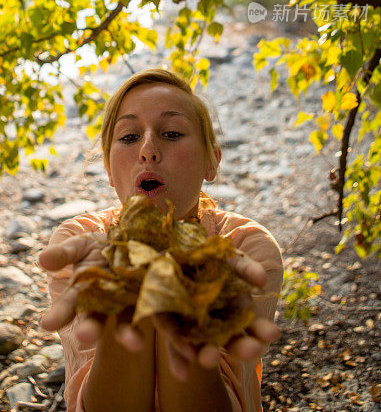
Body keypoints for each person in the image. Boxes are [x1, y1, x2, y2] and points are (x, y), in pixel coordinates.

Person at [38, 68, 283, 412]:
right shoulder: (78, 244)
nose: (148, 150)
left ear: (212, 161)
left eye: (170, 132)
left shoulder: (244, 247)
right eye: (128, 137)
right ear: (108, 169)